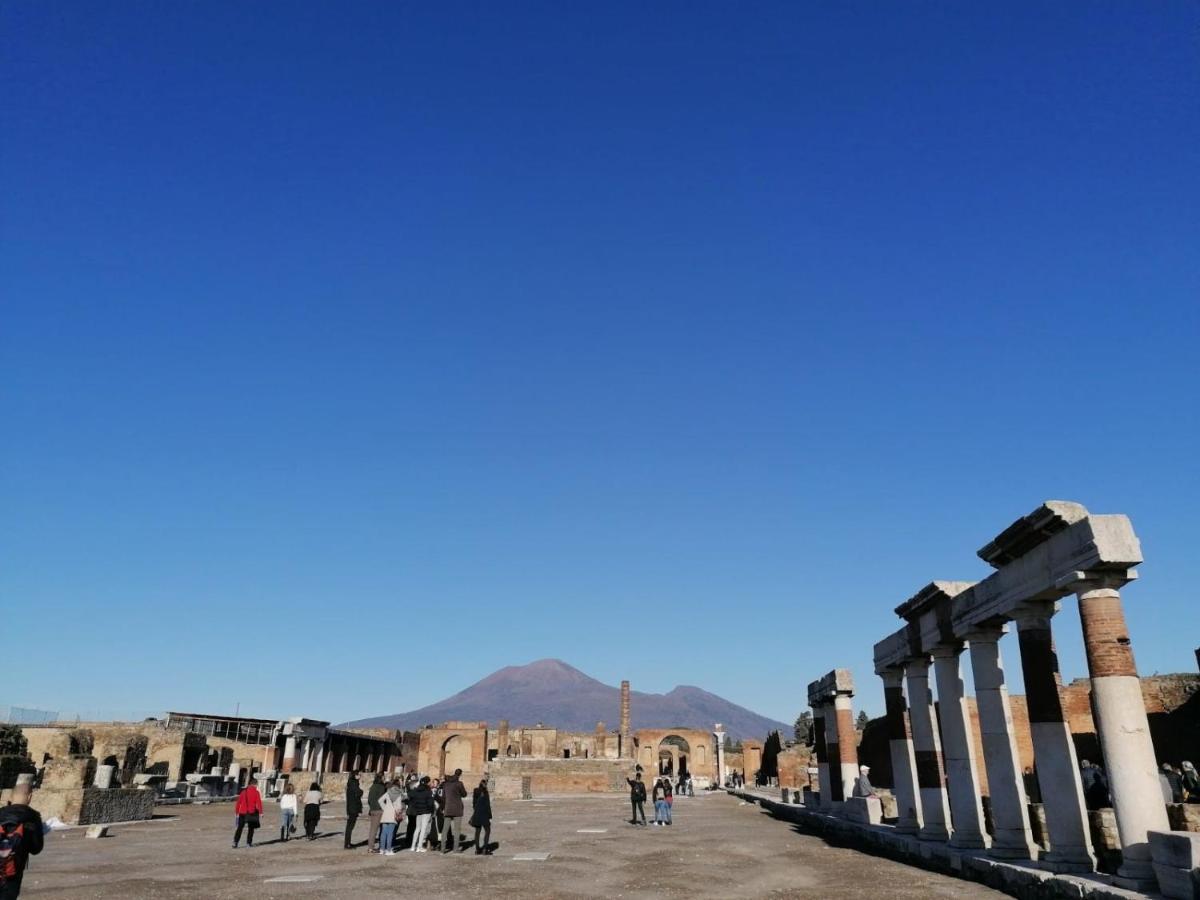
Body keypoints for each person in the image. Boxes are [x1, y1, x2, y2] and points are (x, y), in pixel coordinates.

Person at [0, 783, 44, 900]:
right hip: (12, 872)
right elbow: (36, 849)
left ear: (11, 797)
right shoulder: (33, 818)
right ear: (29, 797)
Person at [440, 768, 468, 853]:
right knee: (457, 830)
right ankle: (455, 849)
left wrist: (442, 808)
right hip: (457, 809)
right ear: (460, 774)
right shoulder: (459, 784)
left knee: (445, 830)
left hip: (448, 808)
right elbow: (464, 794)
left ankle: (443, 849)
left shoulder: (446, 784)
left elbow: (443, 798)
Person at [407, 776, 435, 852]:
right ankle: (419, 847)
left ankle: (413, 846)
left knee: (417, 828)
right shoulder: (428, 791)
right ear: (428, 782)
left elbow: (410, 795)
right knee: (423, 829)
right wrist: (432, 811)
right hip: (426, 812)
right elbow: (430, 803)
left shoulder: (416, 790)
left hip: (418, 811)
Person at [233, 780, 263, 848]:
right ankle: (248, 843)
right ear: (255, 784)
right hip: (251, 813)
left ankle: (235, 842)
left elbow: (238, 803)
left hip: (242, 812)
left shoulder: (244, 792)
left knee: (240, 828)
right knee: (251, 829)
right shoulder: (256, 792)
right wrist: (261, 813)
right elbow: (259, 803)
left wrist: (236, 812)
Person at [378, 779, 403, 856]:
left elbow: (380, 800)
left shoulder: (388, 792)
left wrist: (385, 808)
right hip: (393, 815)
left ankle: (382, 849)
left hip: (386, 814)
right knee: (390, 833)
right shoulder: (399, 794)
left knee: (383, 833)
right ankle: (388, 850)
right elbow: (399, 806)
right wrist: (399, 812)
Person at [470, 778, 493, 855]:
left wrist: (476, 811)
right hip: (484, 815)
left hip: (477, 814)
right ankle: (485, 849)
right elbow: (487, 806)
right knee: (487, 830)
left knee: (477, 832)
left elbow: (473, 803)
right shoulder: (486, 793)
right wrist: (490, 817)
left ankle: (477, 850)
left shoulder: (475, 790)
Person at [366, 774, 386, 853]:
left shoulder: (372, 787)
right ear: (380, 779)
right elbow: (383, 799)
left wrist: (371, 807)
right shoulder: (381, 787)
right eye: (383, 777)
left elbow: (369, 799)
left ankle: (370, 846)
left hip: (373, 809)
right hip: (379, 810)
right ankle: (376, 847)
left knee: (372, 829)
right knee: (380, 829)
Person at [344, 773, 362, 850]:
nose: (360, 776)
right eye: (359, 775)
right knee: (350, 827)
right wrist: (361, 791)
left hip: (350, 808)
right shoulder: (354, 784)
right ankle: (347, 844)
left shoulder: (350, 784)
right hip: (353, 808)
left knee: (349, 827)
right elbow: (358, 793)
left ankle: (347, 843)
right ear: (355, 775)